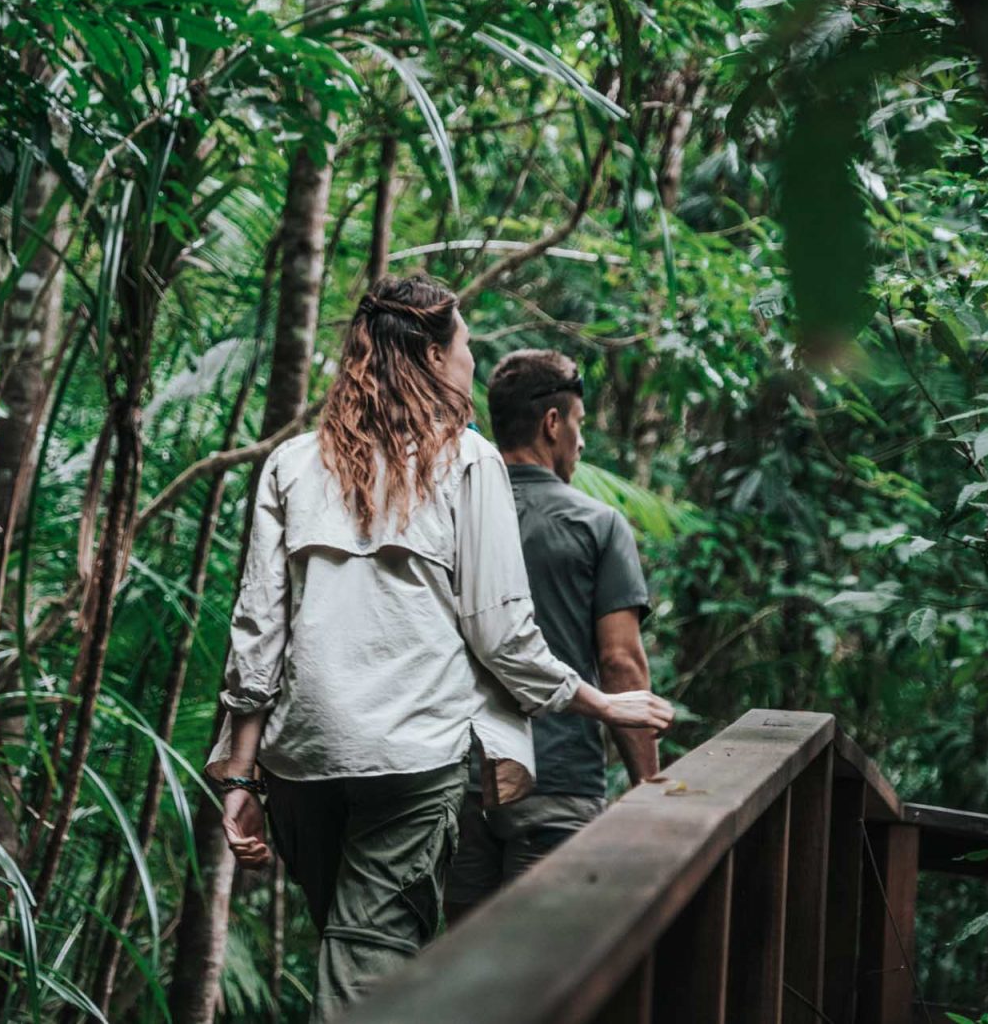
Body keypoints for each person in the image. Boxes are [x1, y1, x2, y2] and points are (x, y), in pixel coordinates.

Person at [205, 276, 674, 1021]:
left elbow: (258, 634)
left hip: (302, 759)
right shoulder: (466, 460)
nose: (473, 361)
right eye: (465, 344)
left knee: (355, 937)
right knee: (371, 954)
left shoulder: (292, 463)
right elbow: (503, 634)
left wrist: (241, 776)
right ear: (431, 354)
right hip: (411, 755)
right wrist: (599, 700)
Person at [444, 349, 660, 920]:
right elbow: (621, 664)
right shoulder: (597, 524)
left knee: (464, 972)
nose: (582, 444)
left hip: (457, 780)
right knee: (542, 973)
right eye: (581, 425)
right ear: (553, 423)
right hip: (556, 783)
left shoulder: (450, 514)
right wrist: (649, 785)